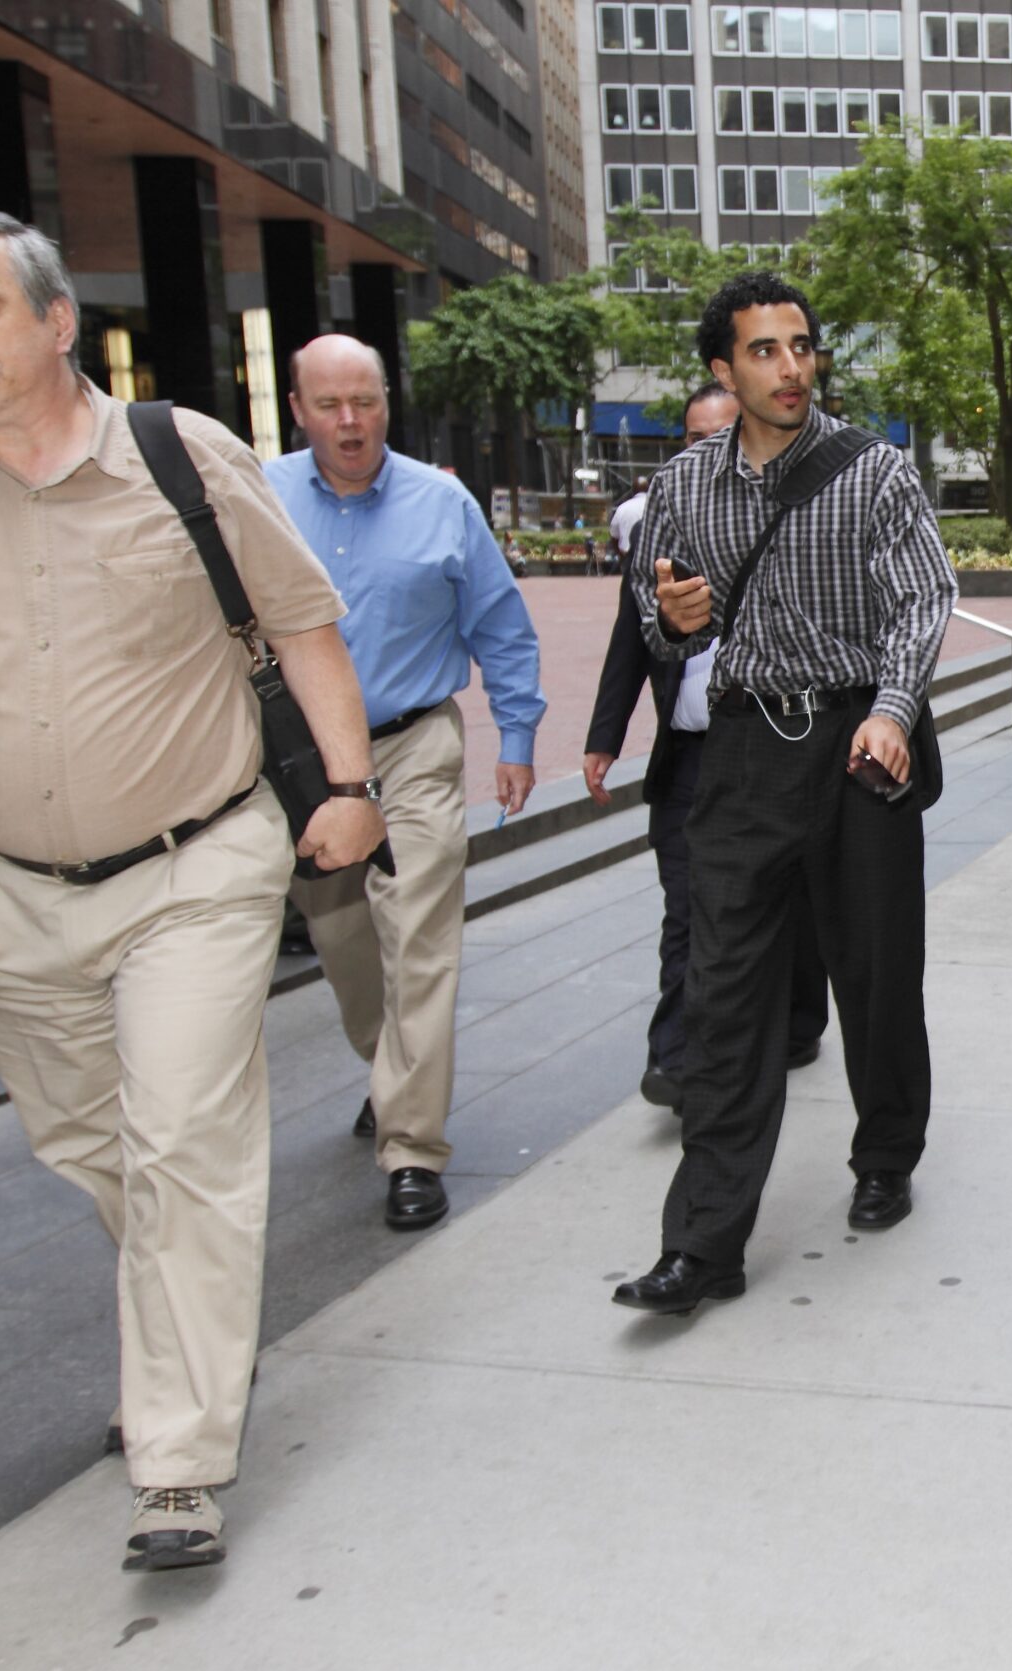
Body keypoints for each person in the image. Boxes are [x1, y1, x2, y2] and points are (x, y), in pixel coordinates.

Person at [0, 211, 386, 1570]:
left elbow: (303, 624)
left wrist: (348, 781)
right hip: (6, 890)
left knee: (188, 1147)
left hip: (193, 866)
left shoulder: (181, 456)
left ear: (51, 320)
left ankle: (181, 1457)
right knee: (97, 1147)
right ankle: (178, 1336)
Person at [611, 271, 957, 1316]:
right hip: (748, 748)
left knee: (876, 974)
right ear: (723, 368)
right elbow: (655, 613)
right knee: (723, 996)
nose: (790, 367)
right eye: (764, 351)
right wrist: (672, 618)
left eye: (801, 346)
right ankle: (705, 1245)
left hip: (859, 744)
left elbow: (923, 598)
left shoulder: (875, 473)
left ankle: (887, 1150)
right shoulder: (684, 484)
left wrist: (893, 712)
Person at [266, 333, 547, 1233]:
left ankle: (413, 1146)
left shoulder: (443, 502)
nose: (351, 424)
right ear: (298, 406)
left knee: (421, 942)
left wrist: (517, 734)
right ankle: (390, 1068)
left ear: (389, 402)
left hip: (414, 749)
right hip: (306, 766)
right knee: (345, 945)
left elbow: (501, 625)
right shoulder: (258, 500)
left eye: (368, 402)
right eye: (330, 405)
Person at [583, 382, 828, 1107]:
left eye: (724, 431)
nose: (708, 446)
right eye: (694, 436)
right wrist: (604, 736)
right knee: (688, 905)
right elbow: (631, 637)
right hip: (690, 756)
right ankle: (677, 1055)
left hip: (775, 747)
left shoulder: (791, 519)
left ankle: (796, 1016)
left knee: (790, 898)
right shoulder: (661, 531)